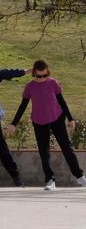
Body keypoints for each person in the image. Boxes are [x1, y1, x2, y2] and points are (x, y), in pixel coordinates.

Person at [6, 59, 86, 190]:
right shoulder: (30, 86)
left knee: (67, 148)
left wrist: (71, 119)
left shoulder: (53, 83)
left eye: (44, 75)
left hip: (57, 118)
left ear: (47, 72)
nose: (42, 78)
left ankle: (80, 177)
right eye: (39, 76)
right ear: (34, 73)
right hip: (39, 121)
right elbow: (22, 106)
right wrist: (13, 124)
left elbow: (62, 101)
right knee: (44, 152)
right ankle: (50, 180)